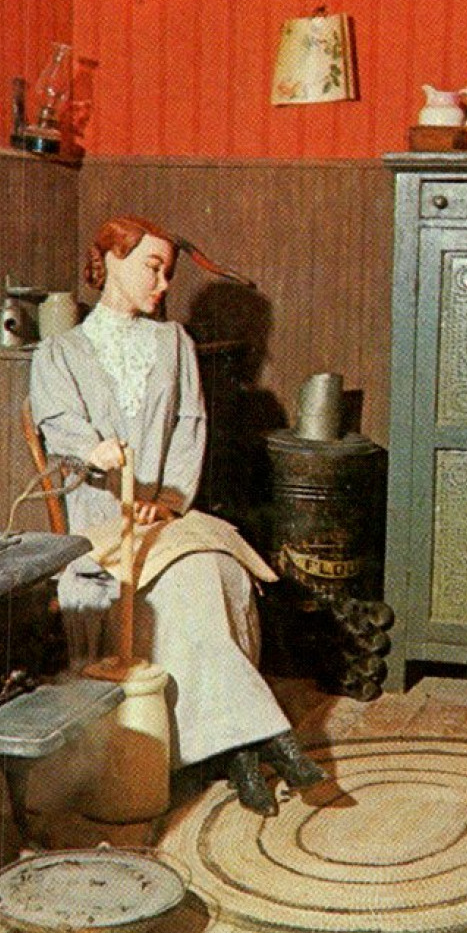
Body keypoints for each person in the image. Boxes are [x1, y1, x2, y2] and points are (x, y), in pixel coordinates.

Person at [28, 214, 326, 816]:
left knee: (220, 568)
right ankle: (263, 741)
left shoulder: (174, 346)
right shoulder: (58, 353)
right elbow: (58, 425)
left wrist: (164, 500)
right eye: (152, 268)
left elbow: (191, 431)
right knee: (190, 585)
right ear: (111, 260)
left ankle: (240, 748)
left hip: (164, 513)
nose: (163, 284)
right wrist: (95, 451)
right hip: (100, 522)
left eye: (168, 272)